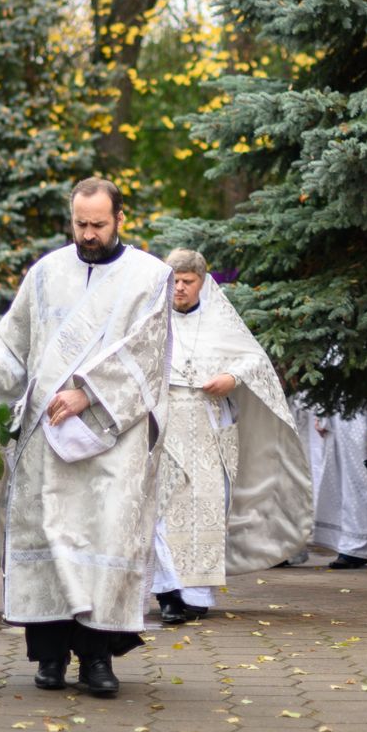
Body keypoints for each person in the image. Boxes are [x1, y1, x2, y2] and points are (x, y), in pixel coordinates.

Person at [0, 177, 172, 698]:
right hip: (48, 433)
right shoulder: (46, 274)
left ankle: (96, 660)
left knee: (103, 539)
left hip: (113, 438)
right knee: (50, 538)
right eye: (80, 224)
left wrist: (88, 393)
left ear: (119, 219)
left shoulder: (149, 277)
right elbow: (12, 344)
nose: (87, 234)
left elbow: (151, 353)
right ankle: (49, 657)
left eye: (98, 224)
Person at [149, 249, 311, 625]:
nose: (180, 288)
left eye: (188, 281)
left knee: (206, 508)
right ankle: (168, 593)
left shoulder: (220, 321)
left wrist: (232, 379)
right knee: (163, 510)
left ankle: (197, 595)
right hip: (165, 427)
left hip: (208, 429)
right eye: (174, 281)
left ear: (203, 283)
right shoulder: (152, 319)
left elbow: (253, 359)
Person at [308, 390, 367, 568]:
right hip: (336, 418)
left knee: (361, 482)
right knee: (337, 484)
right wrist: (321, 414)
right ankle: (345, 544)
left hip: (362, 420)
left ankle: (359, 548)